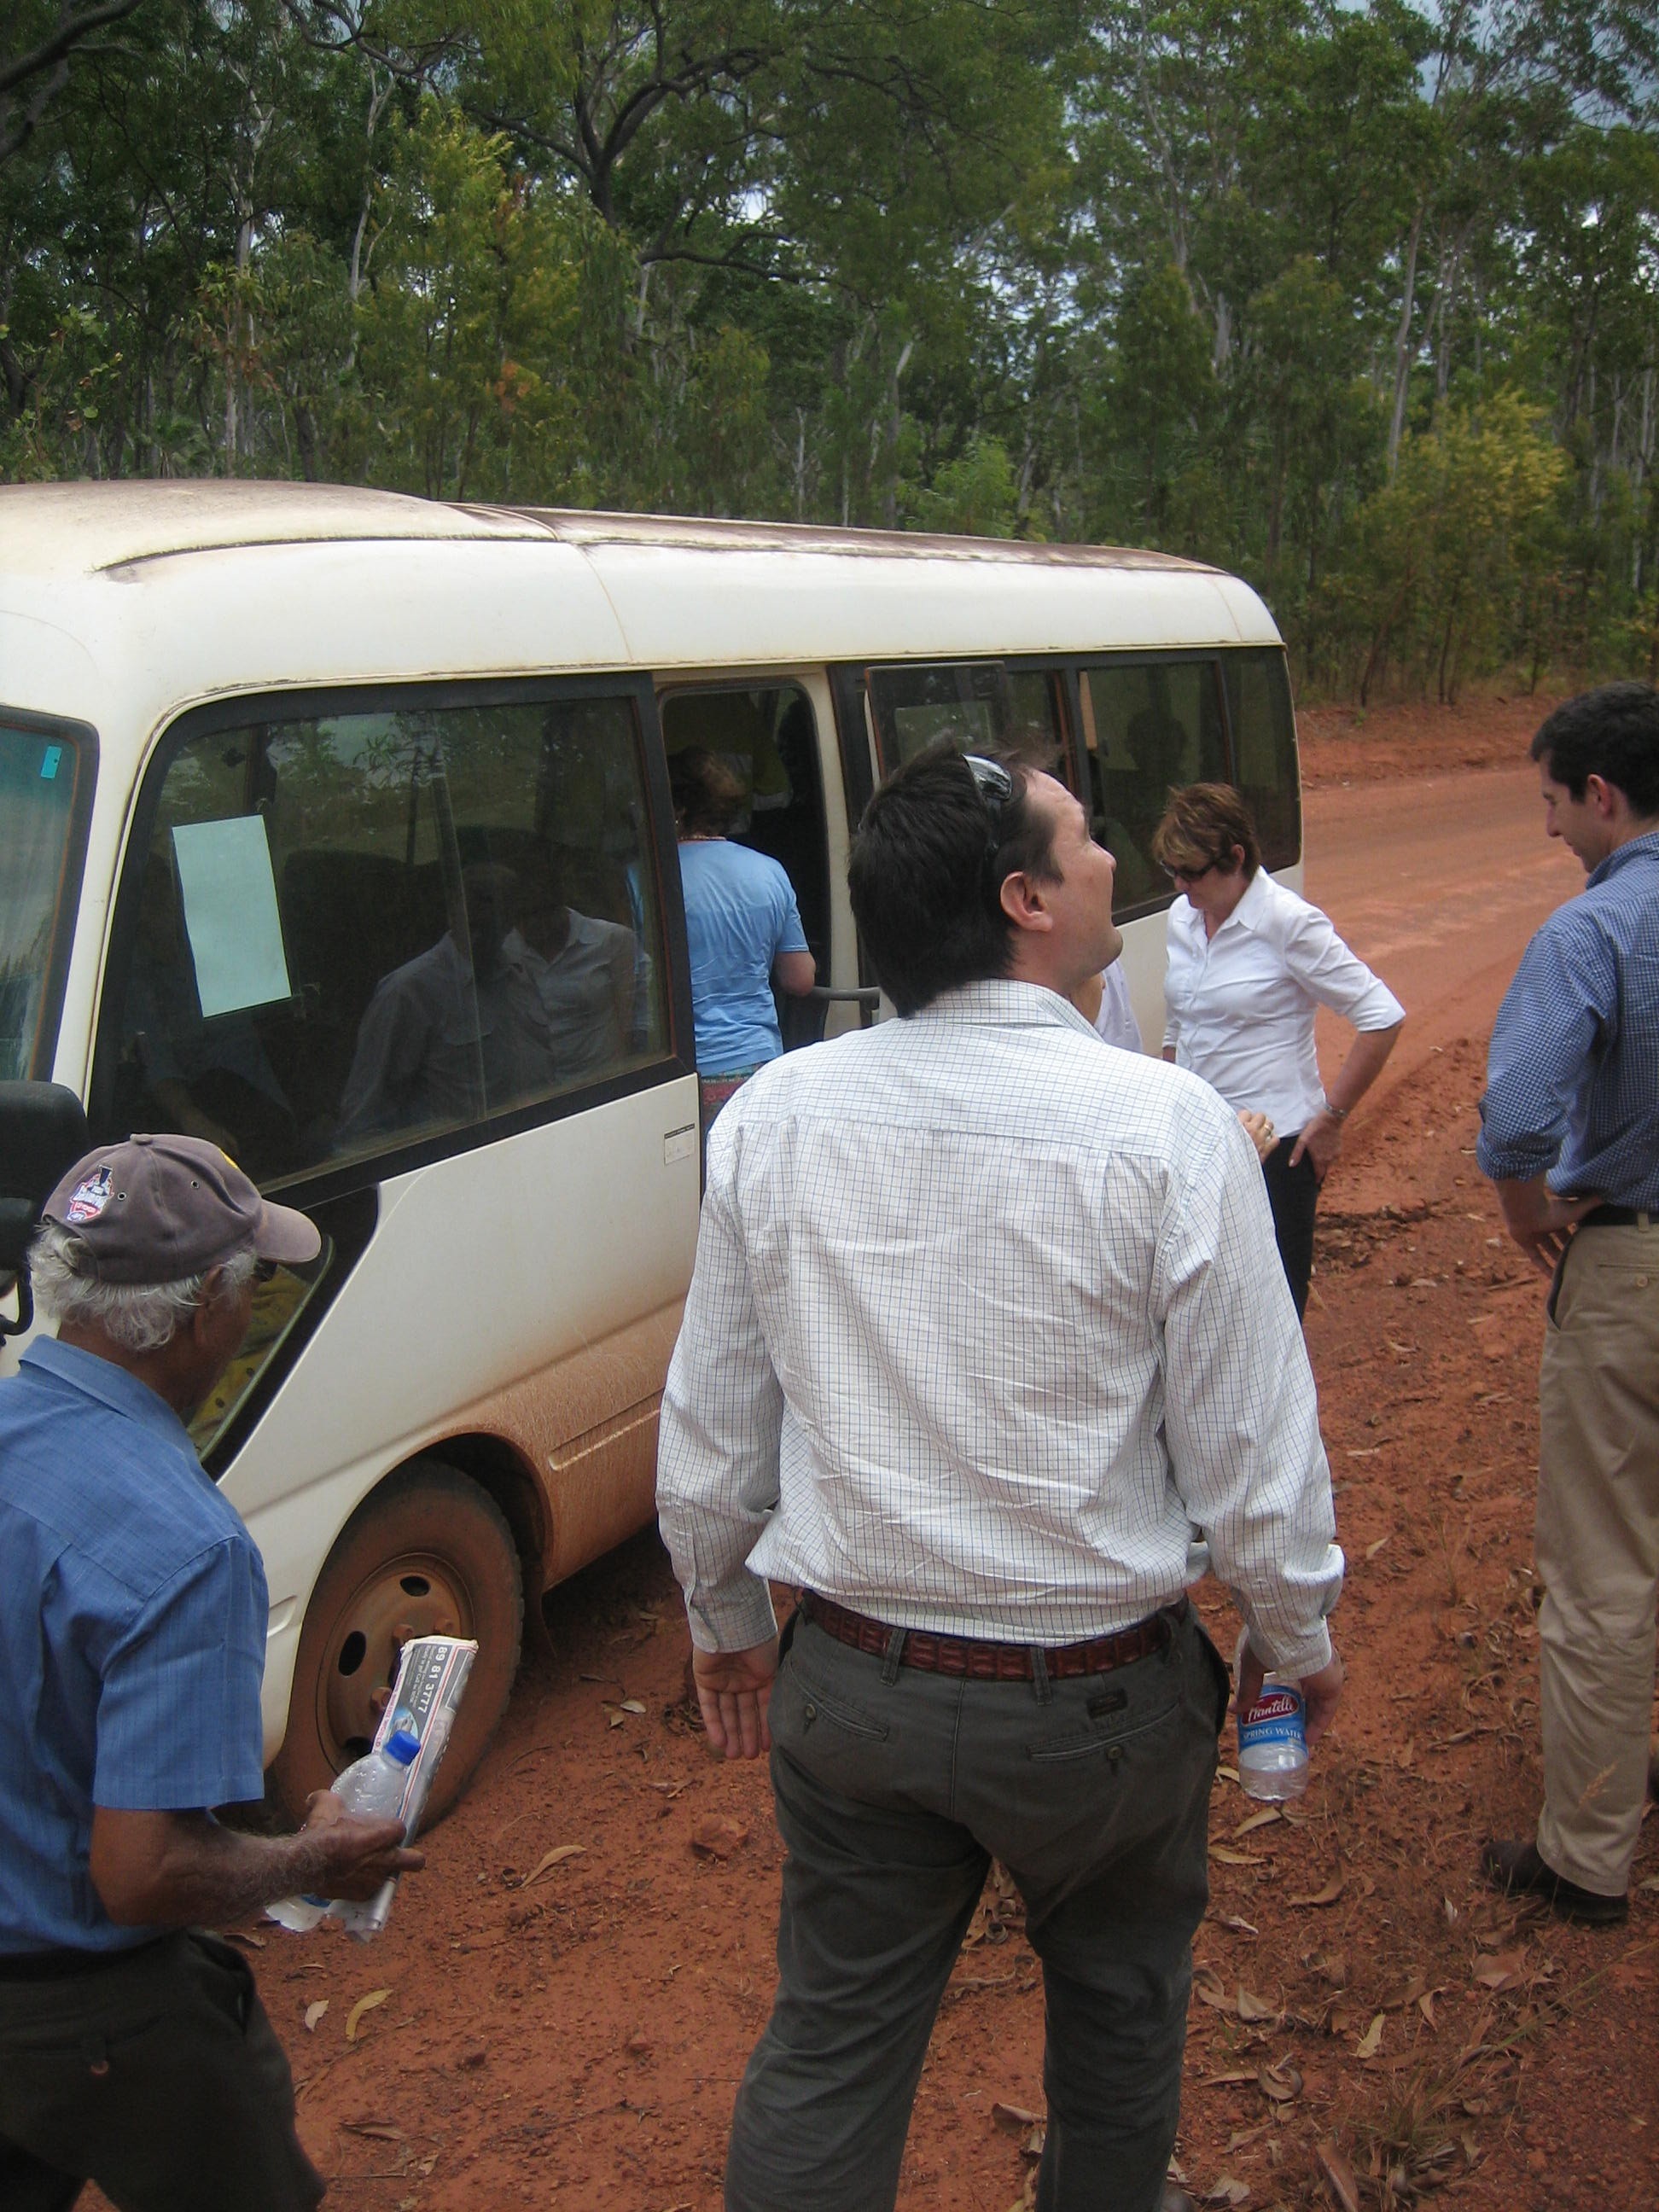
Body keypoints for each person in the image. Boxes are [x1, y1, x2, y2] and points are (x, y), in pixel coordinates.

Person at [656, 743, 1344, 2212]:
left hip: (850, 1686)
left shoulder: (771, 1115)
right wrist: (1293, 1638)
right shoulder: (1160, 1127)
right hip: (1094, 1704)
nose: (1111, 865)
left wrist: (721, 1617)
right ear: (1024, 896)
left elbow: (714, 1423)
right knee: (1115, 2007)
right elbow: (1251, 1460)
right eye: (1086, 843)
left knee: (830, 2038)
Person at [0, 1132, 423, 2211]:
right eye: (251, 1284)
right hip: (94, 2013)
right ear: (205, 1319)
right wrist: (312, 1859)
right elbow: (143, 1873)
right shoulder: (187, 1551)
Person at [1476, 681, 1659, 1927]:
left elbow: (1519, 1114)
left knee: (1603, 1564)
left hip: (1634, 1265)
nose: (1549, 829)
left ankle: (1590, 1852)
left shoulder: (1592, 932)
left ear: (1599, 795)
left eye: (1551, 802)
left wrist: (1525, 1201)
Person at [1153, 783, 1404, 1318]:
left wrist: (1333, 1117)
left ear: (1236, 858)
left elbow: (1380, 1016)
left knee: (1275, 1315)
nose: (1179, 884)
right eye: (1172, 870)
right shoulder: (1183, 916)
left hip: (1276, 1150)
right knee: (1202, 1310)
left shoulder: (1289, 923)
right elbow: (1182, 1014)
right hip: (1201, 1141)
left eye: (1191, 872)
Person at [335, 861, 551, 1146]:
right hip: (456, 1163)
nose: (480, 931)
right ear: (453, 911)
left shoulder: (520, 972)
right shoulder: (409, 992)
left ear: (510, 920)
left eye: (493, 914)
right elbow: (360, 1127)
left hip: (541, 1142)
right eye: (473, 919)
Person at [671, 746, 815, 1131]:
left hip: (681, 1074)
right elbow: (800, 979)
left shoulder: (649, 880)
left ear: (676, 808)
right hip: (757, 1067)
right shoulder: (769, 872)